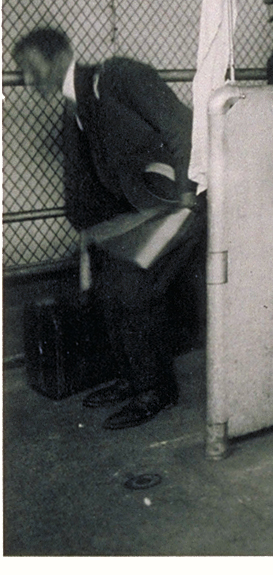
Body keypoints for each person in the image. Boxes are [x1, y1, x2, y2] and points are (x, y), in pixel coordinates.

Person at [13, 28, 205, 430]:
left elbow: (182, 127)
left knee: (133, 287)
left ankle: (155, 391)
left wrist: (187, 194)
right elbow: (85, 178)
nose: (29, 81)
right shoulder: (76, 101)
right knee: (109, 287)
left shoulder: (116, 76)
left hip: (179, 202)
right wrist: (92, 232)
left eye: (32, 69)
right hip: (144, 209)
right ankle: (132, 380)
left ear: (59, 57)